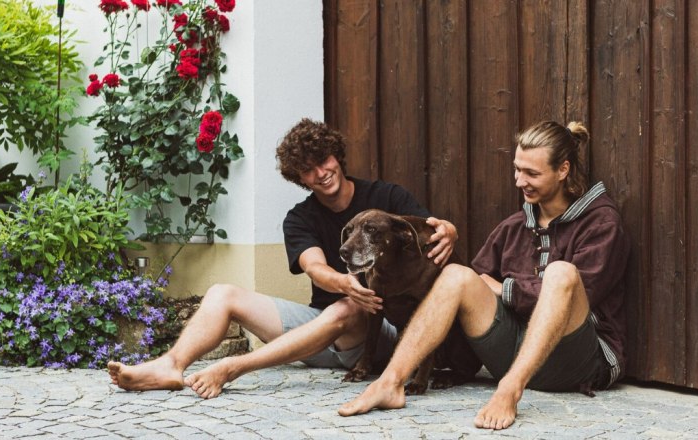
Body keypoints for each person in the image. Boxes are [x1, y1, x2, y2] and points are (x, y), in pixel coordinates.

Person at [108, 118, 463, 398]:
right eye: (307, 170)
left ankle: (233, 368)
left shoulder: (387, 196)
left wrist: (449, 229)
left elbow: (430, 229)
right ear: (299, 178)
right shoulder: (299, 218)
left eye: (324, 160)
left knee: (350, 307)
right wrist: (342, 283)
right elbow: (315, 267)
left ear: (337, 156)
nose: (321, 173)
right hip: (317, 334)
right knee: (222, 293)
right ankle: (171, 365)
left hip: (382, 332)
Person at [338, 120, 631, 430]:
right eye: (517, 169)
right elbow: (472, 283)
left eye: (532, 173)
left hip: (577, 361)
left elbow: (582, 293)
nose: (520, 181)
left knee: (561, 275)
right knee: (455, 275)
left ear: (563, 170)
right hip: (512, 352)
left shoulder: (601, 223)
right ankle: (391, 382)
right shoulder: (514, 226)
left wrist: (505, 290)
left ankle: (509, 391)